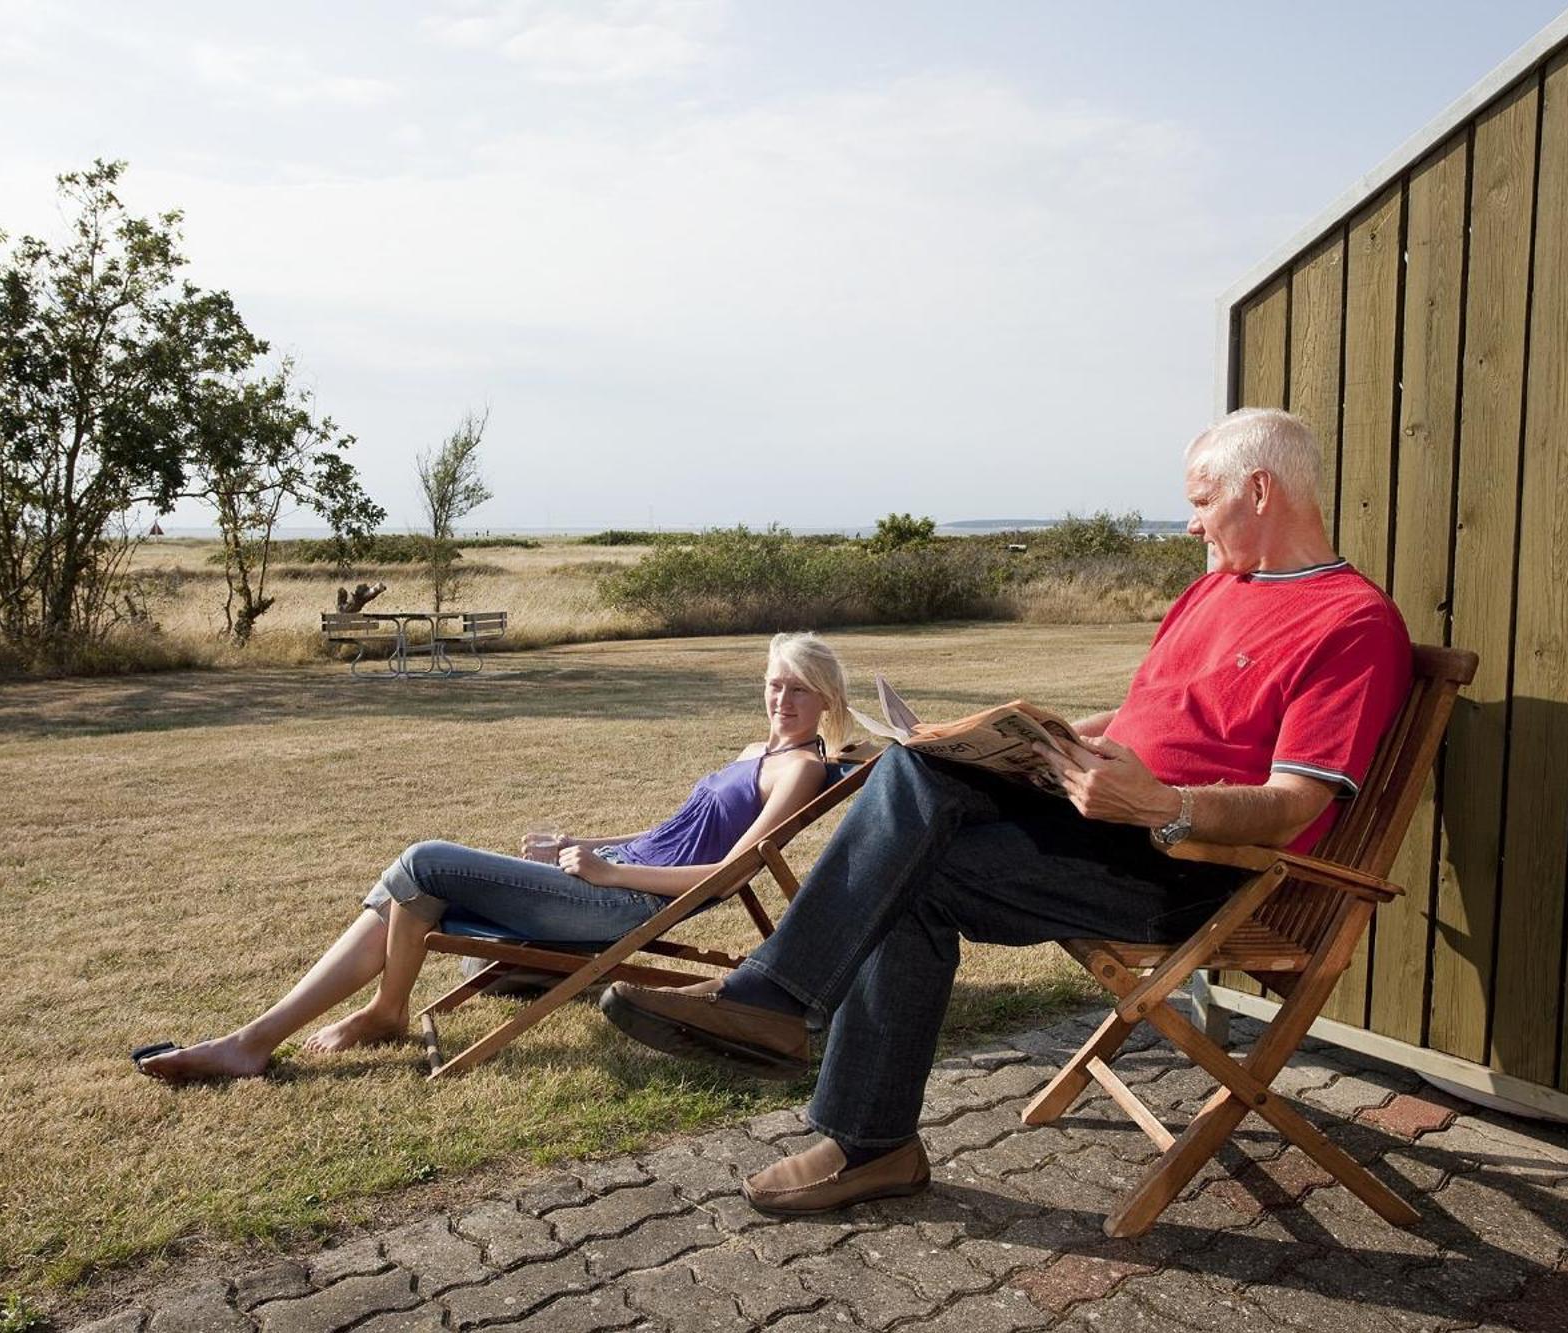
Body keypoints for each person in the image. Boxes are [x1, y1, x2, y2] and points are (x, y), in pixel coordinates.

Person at [599, 408, 1413, 1215]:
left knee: (909, 873)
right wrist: (1031, 736)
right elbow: (1146, 718)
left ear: (1260, 490)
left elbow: (1293, 804)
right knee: (918, 763)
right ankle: (828, 1081)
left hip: (1189, 868)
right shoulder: (1211, 592)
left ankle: (829, 1083)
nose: (1191, 520)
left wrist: (1166, 804)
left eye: (1201, 500)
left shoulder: (1350, 622)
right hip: (1096, 819)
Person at [135, 632, 852, 1083]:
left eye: (796, 688)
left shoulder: (800, 769)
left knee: (423, 861)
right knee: (408, 889)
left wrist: (610, 874)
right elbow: (670, 831)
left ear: (824, 699)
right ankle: (271, 1035)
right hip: (610, 878)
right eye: (773, 683)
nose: (780, 697)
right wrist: (587, 843)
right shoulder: (755, 750)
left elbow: (733, 871)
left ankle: (356, 1017)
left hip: (628, 904)